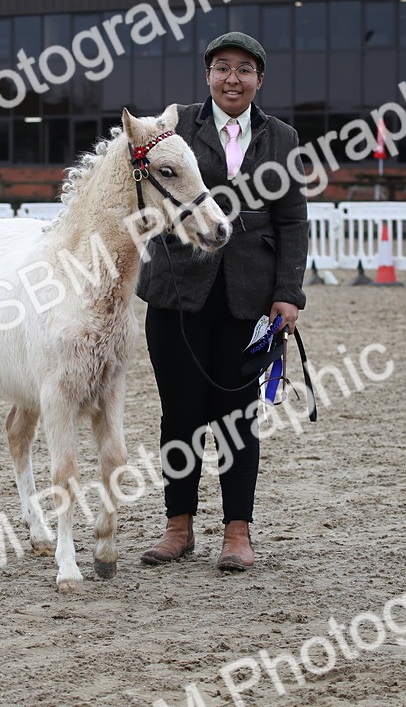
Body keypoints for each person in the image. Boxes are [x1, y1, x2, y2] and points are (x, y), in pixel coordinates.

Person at [135, 32, 309, 571]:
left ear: (260, 79)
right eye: (222, 68)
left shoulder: (282, 136)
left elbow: (293, 220)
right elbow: (137, 184)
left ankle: (237, 533)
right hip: (176, 291)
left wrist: (287, 293)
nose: (233, 79)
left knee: (237, 417)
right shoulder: (175, 126)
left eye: (244, 70)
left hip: (248, 297)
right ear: (207, 74)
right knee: (180, 414)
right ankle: (178, 527)